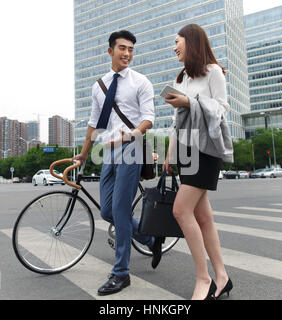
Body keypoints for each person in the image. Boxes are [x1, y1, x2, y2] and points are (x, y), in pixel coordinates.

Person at [72, 30, 163, 296]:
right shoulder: (98, 85)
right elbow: (93, 123)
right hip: (107, 152)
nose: (127, 54)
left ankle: (121, 273)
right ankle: (150, 238)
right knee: (107, 212)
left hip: (131, 149)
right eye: (122, 48)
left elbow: (148, 118)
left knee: (121, 212)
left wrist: (130, 135)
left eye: (131, 49)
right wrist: (84, 153)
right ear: (110, 51)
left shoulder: (141, 82)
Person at [162, 24, 233, 300]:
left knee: (181, 211)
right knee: (202, 216)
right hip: (184, 150)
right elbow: (175, 121)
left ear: (191, 42)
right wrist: (170, 153)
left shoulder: (213, 71)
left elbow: (221, 109)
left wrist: (189, 102)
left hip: (205, 150)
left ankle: (203, 278)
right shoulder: (181, 77)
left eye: (177, 41)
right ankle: (222, 276)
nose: (174, 47)